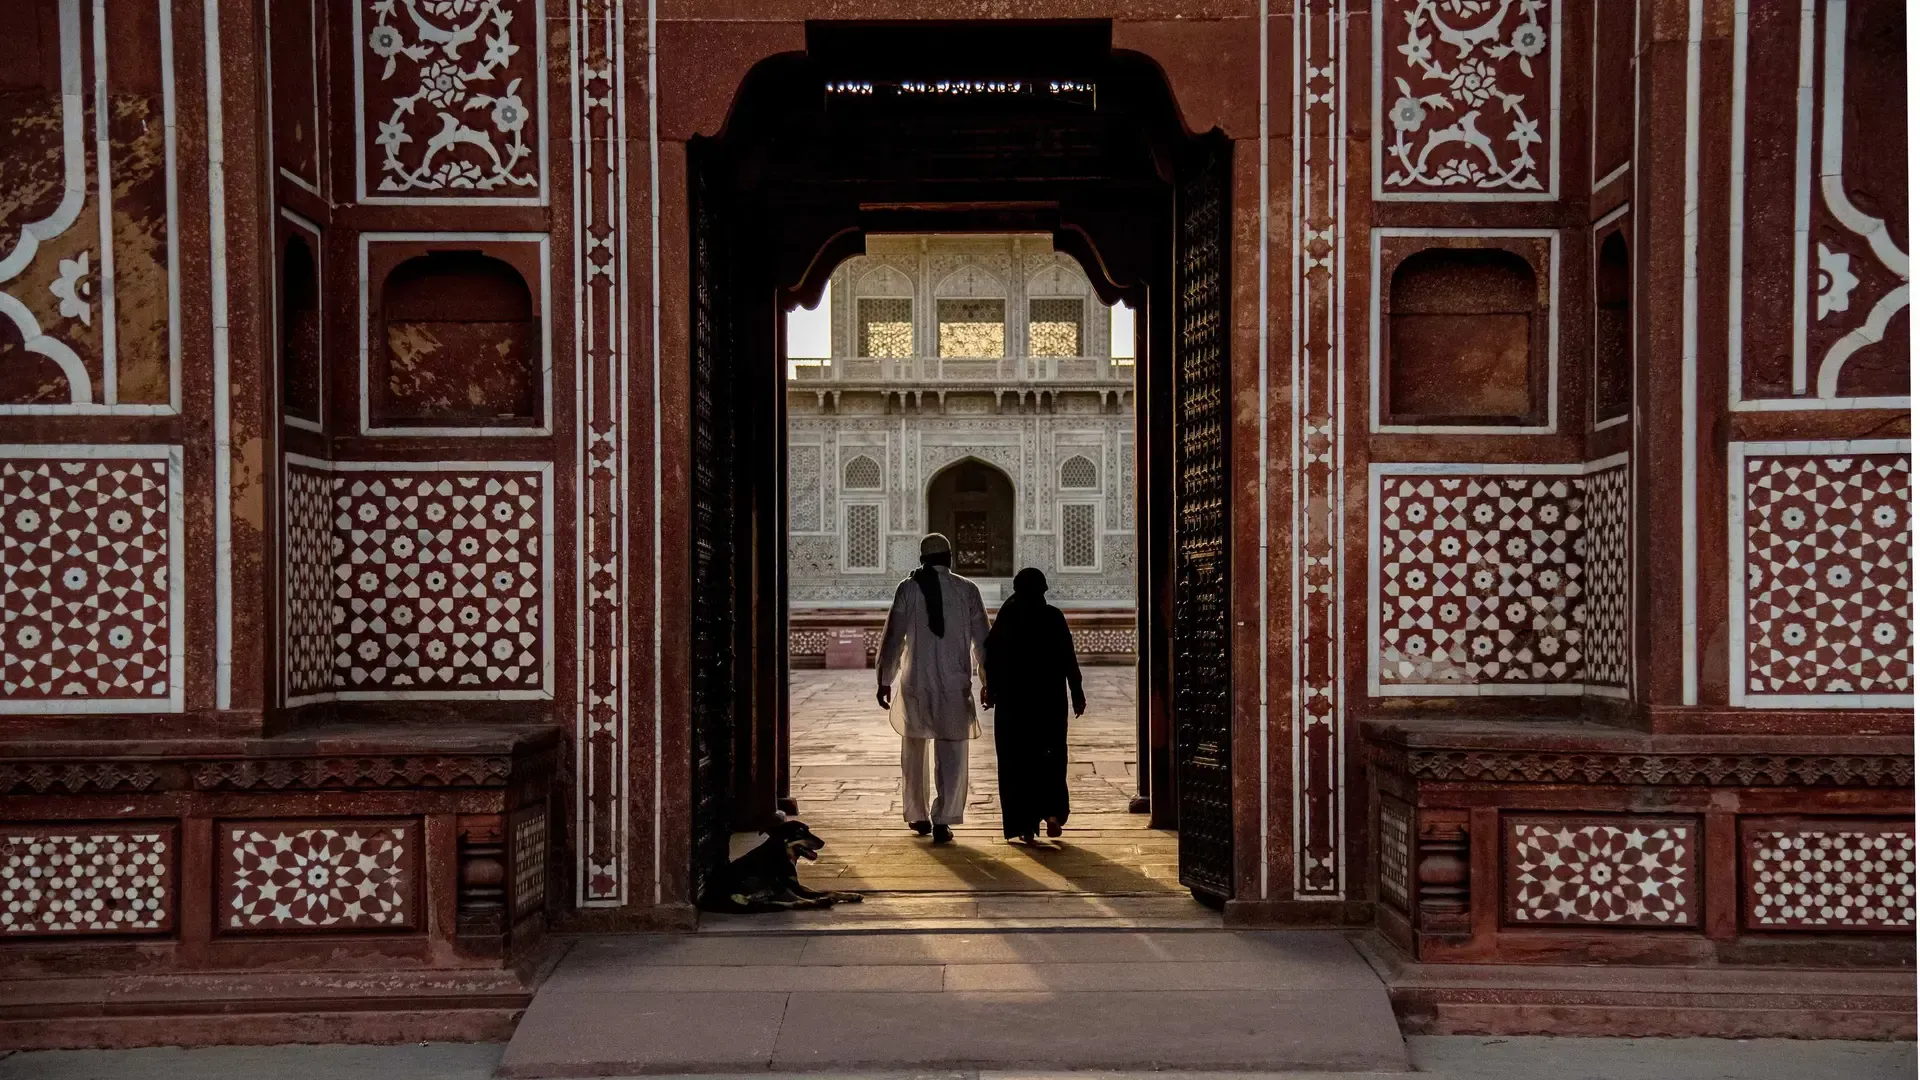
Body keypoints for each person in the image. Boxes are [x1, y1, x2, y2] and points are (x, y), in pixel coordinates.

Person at [875, 533, 990, 845]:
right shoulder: (967, 590)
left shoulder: (908, 589)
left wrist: (885, 679)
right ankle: (943, 820)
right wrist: (988, 680)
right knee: (952, 752)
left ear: (922, 559)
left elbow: (893, 639)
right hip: (955, 684)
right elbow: (983, 641)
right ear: (949, 558)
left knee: (914, 751)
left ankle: (918, 815)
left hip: (917, 683)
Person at [982, 567, 1085, 845]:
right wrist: (1077, 692)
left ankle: (1025, 824)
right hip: (1049, 703)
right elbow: (1068, 658)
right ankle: (1051, 813)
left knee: (1017, 761)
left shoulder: (1008, 617)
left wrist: (990, 690)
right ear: (1043, 589)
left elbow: (991, 656)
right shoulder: (1053, 616)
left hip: (1014, 704)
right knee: (1050, 756)